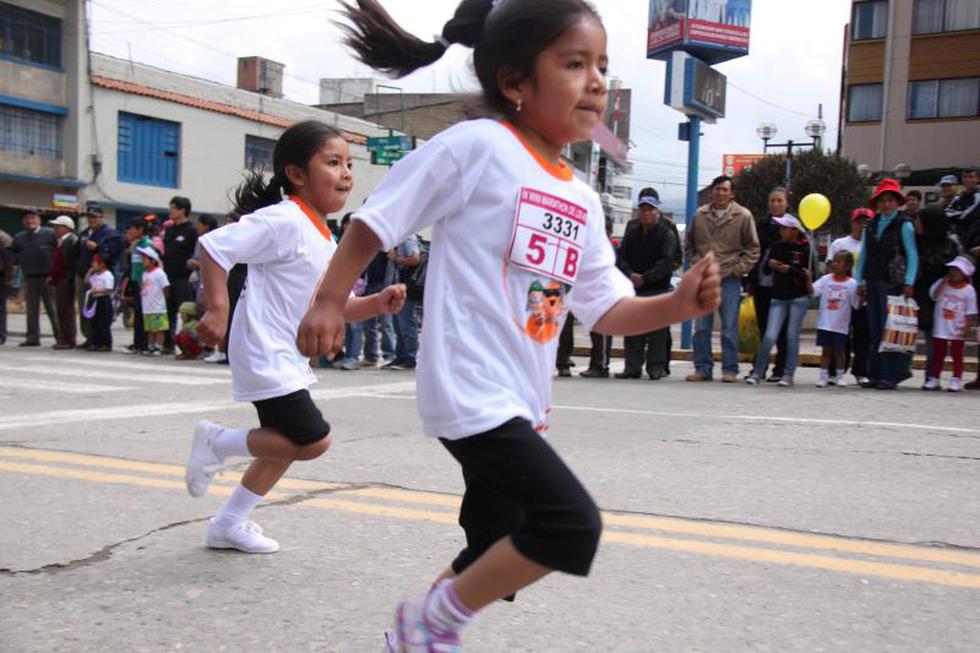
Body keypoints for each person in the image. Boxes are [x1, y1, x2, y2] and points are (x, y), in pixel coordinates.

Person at [296, 2, 723, 649]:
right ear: (515, 82)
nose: (598, 81)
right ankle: (428, 626)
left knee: (499, 548)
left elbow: (604, 307)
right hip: (470, 388)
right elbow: (378, 218)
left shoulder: (580, 196)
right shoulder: (479, 148)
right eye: (575, 63)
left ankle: (411, 638)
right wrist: (330, 299)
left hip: (521, 399)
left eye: (603, 66)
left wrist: (678, 305)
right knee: (569, 524)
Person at [185, 120, 406, 554]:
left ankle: (228, 523)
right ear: (297, 174)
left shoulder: (326, 236)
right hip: (265, 350)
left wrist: (377, 302)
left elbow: (333, 306)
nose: (345, 173)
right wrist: (217, 308)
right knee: (312, 439)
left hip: (288, 355)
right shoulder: (283, 220)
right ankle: (216, 441)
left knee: (285, 445)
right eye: (332, 162)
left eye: (348, 164)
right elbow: (213, 247)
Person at [685, 175, 759, 382]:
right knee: (701, 328)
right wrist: (696, 263)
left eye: (725, 190)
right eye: (717, 189)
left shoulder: (743, 216)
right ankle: (702, 368)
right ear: (711, 191)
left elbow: (753, 249)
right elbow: (689, 245)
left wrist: (737, 269)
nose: (721, 193)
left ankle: (730, 369)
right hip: (704, 279)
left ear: (732, 193)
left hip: (730, 279)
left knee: (729, 328)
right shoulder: (699, 215)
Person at [854, 179, 919, 390]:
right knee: (874, 331)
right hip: (872, 281)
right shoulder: (870, 225)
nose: (886, 204)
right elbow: (863, 255)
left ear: (897, 202)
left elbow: (912, 255)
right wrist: (859, 280)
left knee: (890, 331)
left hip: (893, 284)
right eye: (883, 200)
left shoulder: (905, 224)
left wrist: (909, 282)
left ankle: (889, 375)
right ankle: (874, 374)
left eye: (890, 200)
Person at [616, 193, 676, 380]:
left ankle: (655, 367)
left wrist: (646, 277)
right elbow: (622, 258)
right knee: (633, 329)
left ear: (657, 212)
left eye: (650, 209)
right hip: (634, 288)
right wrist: (630, 275)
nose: (646, 213)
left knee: (657, 331)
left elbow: (667, 262)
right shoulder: (632, 233)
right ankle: (632, 367)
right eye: (643, 209)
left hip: (657, 287)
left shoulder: (666, 234)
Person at [746, 214, 811, 387]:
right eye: (780, 227)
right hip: (778, 297)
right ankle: (758, 371)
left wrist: (789, 269)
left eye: (785, 228)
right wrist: (771, 265)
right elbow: (766, 266)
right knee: (769, 335)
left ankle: (788, 374)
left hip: (798, 297)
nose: (781, 231)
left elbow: (807, 274)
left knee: (791, 335)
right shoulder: (777, 246)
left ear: (794, 230)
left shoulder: (805, 248)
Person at [747, 188, 791, 382]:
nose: (775, 204)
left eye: (779, 201)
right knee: (763, 328)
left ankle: (780, 369)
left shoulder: (792, 226)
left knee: (782, 329)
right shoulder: (761, 225)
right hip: (761, 284)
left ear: (786, 204)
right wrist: (750, 281)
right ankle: (759, 367)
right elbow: (752, 252)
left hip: (783, 285)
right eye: (772, 201)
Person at [828, 208, 872, 384]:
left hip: (863, 296)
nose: (862, 226)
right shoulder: (839, 243)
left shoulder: (872, 243)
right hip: (841, 296)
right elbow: (830, 267)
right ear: (852, 223)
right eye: (859, 222)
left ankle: (861, 371)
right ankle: (835, 371)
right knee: (839, 335)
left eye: (866, 223)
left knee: (863, 335)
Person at [923, 256, 977, 392]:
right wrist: (943, 283)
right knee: (938, 354)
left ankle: (956, 379)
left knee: (957, 355)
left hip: (957, 328)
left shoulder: (969, 290)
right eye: (951, 269)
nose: (952, 272)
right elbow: (934, 296)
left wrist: (967, 327)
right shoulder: (942, 283)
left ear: (965, 274)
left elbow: (970, 311)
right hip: (941, 326)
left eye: (957, 270)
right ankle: (934, 378)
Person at [8, 211, 60, 347]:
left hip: (49, 277)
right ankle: (32, 338)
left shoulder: (50, 234)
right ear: (23, 222)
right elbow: (12, 254)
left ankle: (60, 337)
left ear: (39, 220)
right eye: (26, 218)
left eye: (33, 218)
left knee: (53, 308)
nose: (30, 221)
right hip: (30, 276)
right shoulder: (19, 237)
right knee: (31, 309)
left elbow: (60, 252)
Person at [812, 251, 860, 387]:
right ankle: (823, 375)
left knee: (840, 351)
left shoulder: (852, 284)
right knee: (826, 350)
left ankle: (840, 375)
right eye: (834, 261)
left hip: (841, 325)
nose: (835, 264)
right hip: (825, 323)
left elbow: (856, 304)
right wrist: (807, 279)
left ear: (848, 266)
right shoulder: (825, 279)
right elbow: (812, 291)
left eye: (839, 262)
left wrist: (862, 296)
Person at [76, 207, 121, 347]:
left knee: (100, 311)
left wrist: (97, 247)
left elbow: (113, 253)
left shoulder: (110, 234)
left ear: (101, 217)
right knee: (85, 308)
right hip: (85, 275)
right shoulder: (84, 234)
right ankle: (89, 337)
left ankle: (101, 340)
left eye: (94, 217)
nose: (91, 220)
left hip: (101, 278)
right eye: (89, 217)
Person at [580, 215, 616, 378]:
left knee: (602, 331)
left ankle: (601, 365)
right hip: (592, 294)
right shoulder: (594, 247)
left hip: (604, 294)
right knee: (596, 331)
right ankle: (597, 363)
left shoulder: (610, 249)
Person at [162, 196, 198, 353]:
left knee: (186, 312)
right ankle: (167, 344)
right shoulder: (169, 230)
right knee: (167, 311)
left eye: (173, 208)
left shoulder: (192, 230)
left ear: (182, 210)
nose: (170, 211)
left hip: (184, 278)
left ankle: (188, 344)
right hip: (167, 277)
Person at [386, 233, 422, 370]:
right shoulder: (399, 237)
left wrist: (396, 259)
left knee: (406, 322)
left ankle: (410, 357)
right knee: (398, 323)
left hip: (408, 285)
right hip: (399, 283)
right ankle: (400, 356)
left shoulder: (408, 237)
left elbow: (415, 258)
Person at [122, 218, 154, 355]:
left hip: (144, 283)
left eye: (133, 229)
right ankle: (137, 342)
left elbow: (150, 264)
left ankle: (143, 343)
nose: (130, 231)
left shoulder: (147, 244)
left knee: (142, 314)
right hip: (135, 282)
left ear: (140, 229)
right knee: (137, 313)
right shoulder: (135, 245)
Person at [46, 216, 79, 349]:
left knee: (66, 310)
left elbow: (70, 263)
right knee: (61, 310)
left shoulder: (71, 241)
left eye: (58, 226)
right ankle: (63, 337)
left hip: (66, 280)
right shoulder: (61, 241)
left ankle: (69, 339)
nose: (55, 229)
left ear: (67, 228)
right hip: (59, 280)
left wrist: (68, 279)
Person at [138, 245, 170, 356]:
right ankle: (150, 345)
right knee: (150, 328)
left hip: (158, 306)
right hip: (147, 306)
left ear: (152, 260)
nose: (142, 261)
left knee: (159, 328)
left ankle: (159, 346)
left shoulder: (159, 273)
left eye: (144, 258)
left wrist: (163, 300)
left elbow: (166, 287)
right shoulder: (144, 274)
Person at [83, 254, 114, 352]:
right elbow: (86, 281)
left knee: (103, 322)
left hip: (103, 299)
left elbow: (108, 290)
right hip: (95, 299)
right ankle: (95, 342)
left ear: (102, 264)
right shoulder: (95, 275)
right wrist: (89, 272)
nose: (93, 264)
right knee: (94, 321)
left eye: (95, 263)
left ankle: (106, 343)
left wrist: (98, 291)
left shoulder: (107, 275)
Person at [0, 227, 12, 345]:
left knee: (0, 307)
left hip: (1, 273)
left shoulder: (3, 237)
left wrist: (9, 277)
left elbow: (8, 259)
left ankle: (1, 334)